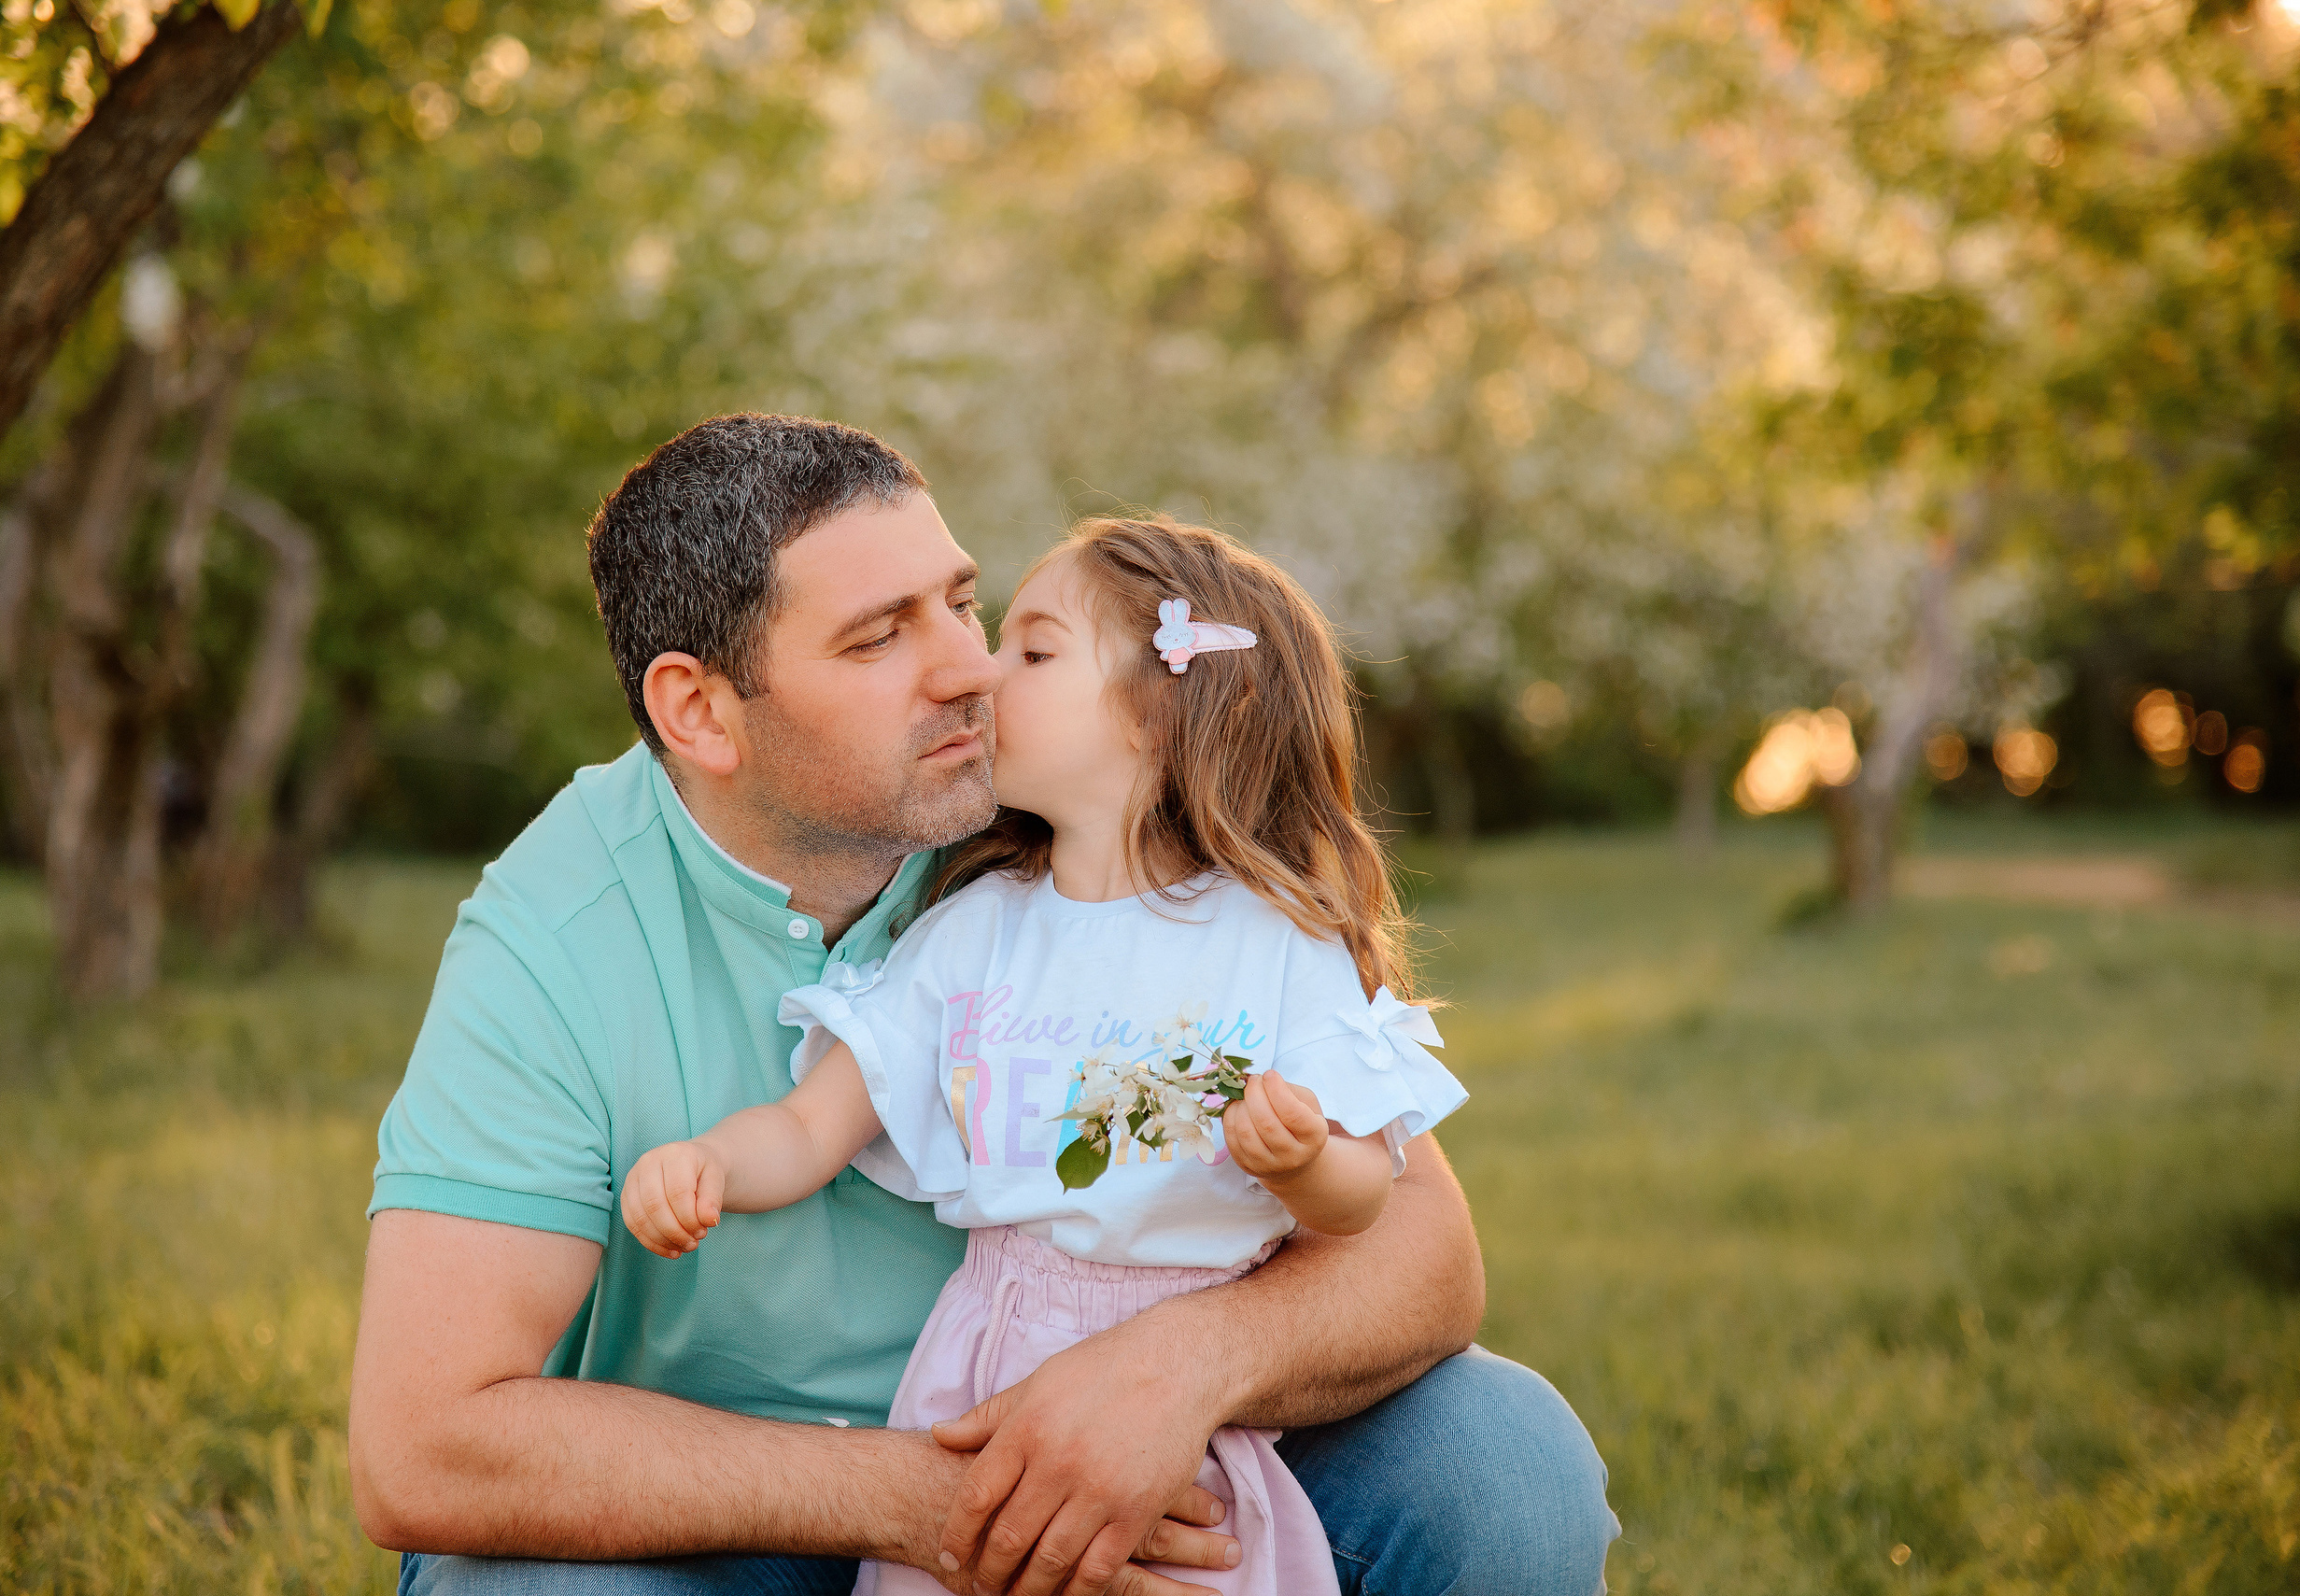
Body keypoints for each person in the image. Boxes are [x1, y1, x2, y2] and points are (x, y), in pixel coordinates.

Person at [348, 414, 1621, 1595]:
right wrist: (931, 1500)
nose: (968, 669)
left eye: (962, 602)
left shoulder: (1069, 839)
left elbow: (1424, 1254)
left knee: (1500, 1464)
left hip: (1149, 1452)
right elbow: (424, 1447)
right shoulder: (555, 939)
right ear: (701, 712)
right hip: (722, 1518)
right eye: (876, 636)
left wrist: (1175, 1371)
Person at [616, 516, 1472, 1596]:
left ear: (1161, 711)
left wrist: (1302, 1161)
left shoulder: (1276, 939)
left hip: (1187, 1409)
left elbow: (1358, 1197)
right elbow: (810, 1125)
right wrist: (711, 1166)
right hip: (982, 1371)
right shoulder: (977, 932)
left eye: (1031, 649)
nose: (980, 671)